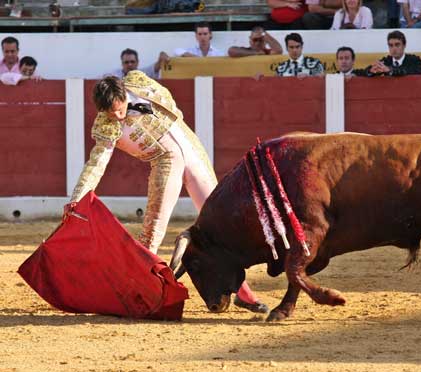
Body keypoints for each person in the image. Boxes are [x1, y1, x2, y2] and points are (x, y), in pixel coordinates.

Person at [64, 72, 268, 313]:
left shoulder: (139, 81)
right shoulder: (105, 125)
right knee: (153, 231)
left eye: (120, 110)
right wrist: (77, 197)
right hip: (165, 160)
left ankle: (244, 295)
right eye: (111, 114)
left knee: (220, 226)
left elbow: (171, 107)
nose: (118, 118)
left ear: (123, 94)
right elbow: (96, 163)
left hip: (191, 148)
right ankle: (133, 293)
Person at [155, 22, 223, 74]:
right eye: (200, 34)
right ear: (196, 36)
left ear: (210, 35)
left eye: (205, 34)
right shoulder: (190, 51)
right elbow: (177, 51)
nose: (202, 37)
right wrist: (194, 57)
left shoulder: (218, 53)